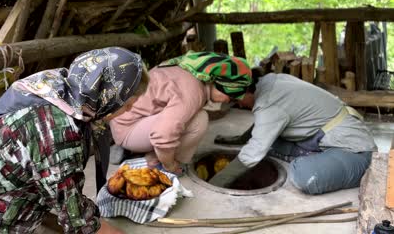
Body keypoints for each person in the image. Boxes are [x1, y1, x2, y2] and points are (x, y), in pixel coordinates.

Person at [0, 47, 149, 234]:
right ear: (110, 95)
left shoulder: (58, 85)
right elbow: (77, 219)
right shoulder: (57, 129)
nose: (127, 111)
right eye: (128, 104)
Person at [210, 71, 376, 195]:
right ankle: (315, 156)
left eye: (236, 101)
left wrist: (216, 182)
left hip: (354, 150)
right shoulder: (269, 81)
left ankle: (340, 166)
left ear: (244, 93)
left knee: (304, 175)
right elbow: (263, 127)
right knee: (269, 141)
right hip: (322, 136)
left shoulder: (268, 105)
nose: (238, 106)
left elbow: (253, 153)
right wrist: (239, 140)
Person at [109, 51, 253, 175]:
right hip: (128, 129)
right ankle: (157, 162)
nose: (228, 100)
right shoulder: (193, 91)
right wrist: (170, 164)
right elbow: (162, 135)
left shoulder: (189, 68)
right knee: (199, 120)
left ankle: (133, 150)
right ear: (217, 82)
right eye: (230, 96)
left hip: (122, 120)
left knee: (179, 118)